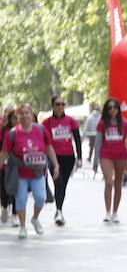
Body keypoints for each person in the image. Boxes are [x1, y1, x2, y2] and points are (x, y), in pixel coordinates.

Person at [1, 104, 60, 239]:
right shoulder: (12, 134)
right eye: (21, 113)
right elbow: (4, 153)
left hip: (37, 172)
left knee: (41, 197)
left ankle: (34, 218)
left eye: (27, 113)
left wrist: (55, 165)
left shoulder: (40, 130)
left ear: (32, 115)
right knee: (20, 199)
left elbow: (49, 148)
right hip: (20, 173)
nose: (24, 116)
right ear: (17, 117)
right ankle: (22, 227)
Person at [42, 96, 83, 226]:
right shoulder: (47, 123)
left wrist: (79, 158)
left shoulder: (71, 121)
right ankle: (59, 211)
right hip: (54, 157)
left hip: (68, 157)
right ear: (53, 106)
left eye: (62, 104)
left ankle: (59, 210)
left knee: (63, 185)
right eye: (57, 104)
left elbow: (77, 139)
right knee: (58, 183)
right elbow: (44, 142)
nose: (60, 107)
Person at [94, 98, 127, 223]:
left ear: (118, 109)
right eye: (109, 108)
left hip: (121, 156)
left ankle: (115, 212)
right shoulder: (102, 123)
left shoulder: (125, 123)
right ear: (106, 109)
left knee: (118, 184)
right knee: (109, 182)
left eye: (115, 107)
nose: (112, 110)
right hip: (106, 156)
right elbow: (98, 143)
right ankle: (107, 212)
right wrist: (95, 161)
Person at [0, 107, 16, 226]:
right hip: (4, 164)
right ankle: (5, 207)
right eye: (14, 117)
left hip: (17, 165)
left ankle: (15, 214)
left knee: (17, 189)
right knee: (3, 188)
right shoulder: (3, 130)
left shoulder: (21, 130)